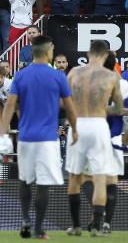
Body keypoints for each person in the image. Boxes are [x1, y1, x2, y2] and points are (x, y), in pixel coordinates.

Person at [0, 35, 78, 239]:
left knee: (24, 180)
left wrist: (3, 135)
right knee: (43, 184)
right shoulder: (58, 76)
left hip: (25, 138)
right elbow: (69, 107)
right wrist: (76, 130)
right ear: (49, 51)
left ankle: (25, 220)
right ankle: (39, 228)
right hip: (48, 140)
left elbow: (9, 106)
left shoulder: (21, 76)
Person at [64, 40, 124, 237]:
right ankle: (98, 226)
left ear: (89, 54)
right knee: (100, 177)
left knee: (75, 176)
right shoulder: (111, 77)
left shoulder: (73, 73)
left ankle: (76, 226)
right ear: (105, 55)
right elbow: (117, 108)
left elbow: (66, 103)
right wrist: (101, 108)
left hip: (79, 124)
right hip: (99, 125)